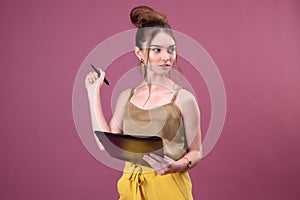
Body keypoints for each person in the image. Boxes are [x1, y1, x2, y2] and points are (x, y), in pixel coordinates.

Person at [85, 5, 202, 200]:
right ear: (139, 53)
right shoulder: (127, 97)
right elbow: (104, 143)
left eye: (171, 50)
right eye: (157, 50)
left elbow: (196, 151)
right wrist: (92, 93)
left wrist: (177, 165)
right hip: (131, 189)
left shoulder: (184, 99)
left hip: (169, 189)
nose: (166, 57)